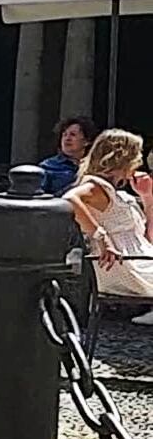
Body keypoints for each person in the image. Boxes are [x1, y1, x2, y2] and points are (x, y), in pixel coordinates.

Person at [65, 129, 153, 322]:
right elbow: (70, 198)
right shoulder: (96, 186)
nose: (139, 160)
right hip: (124, 267)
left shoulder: (118, 193)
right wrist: (101, 236)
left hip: (141, 259)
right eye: (136, 154)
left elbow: (147, 239)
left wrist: (147, 197)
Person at [41, 116, 99, 195]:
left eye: (73, 134)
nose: (67, 138)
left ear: (87, 141)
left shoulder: (96, 167)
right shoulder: (47, 166)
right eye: (64, 135)